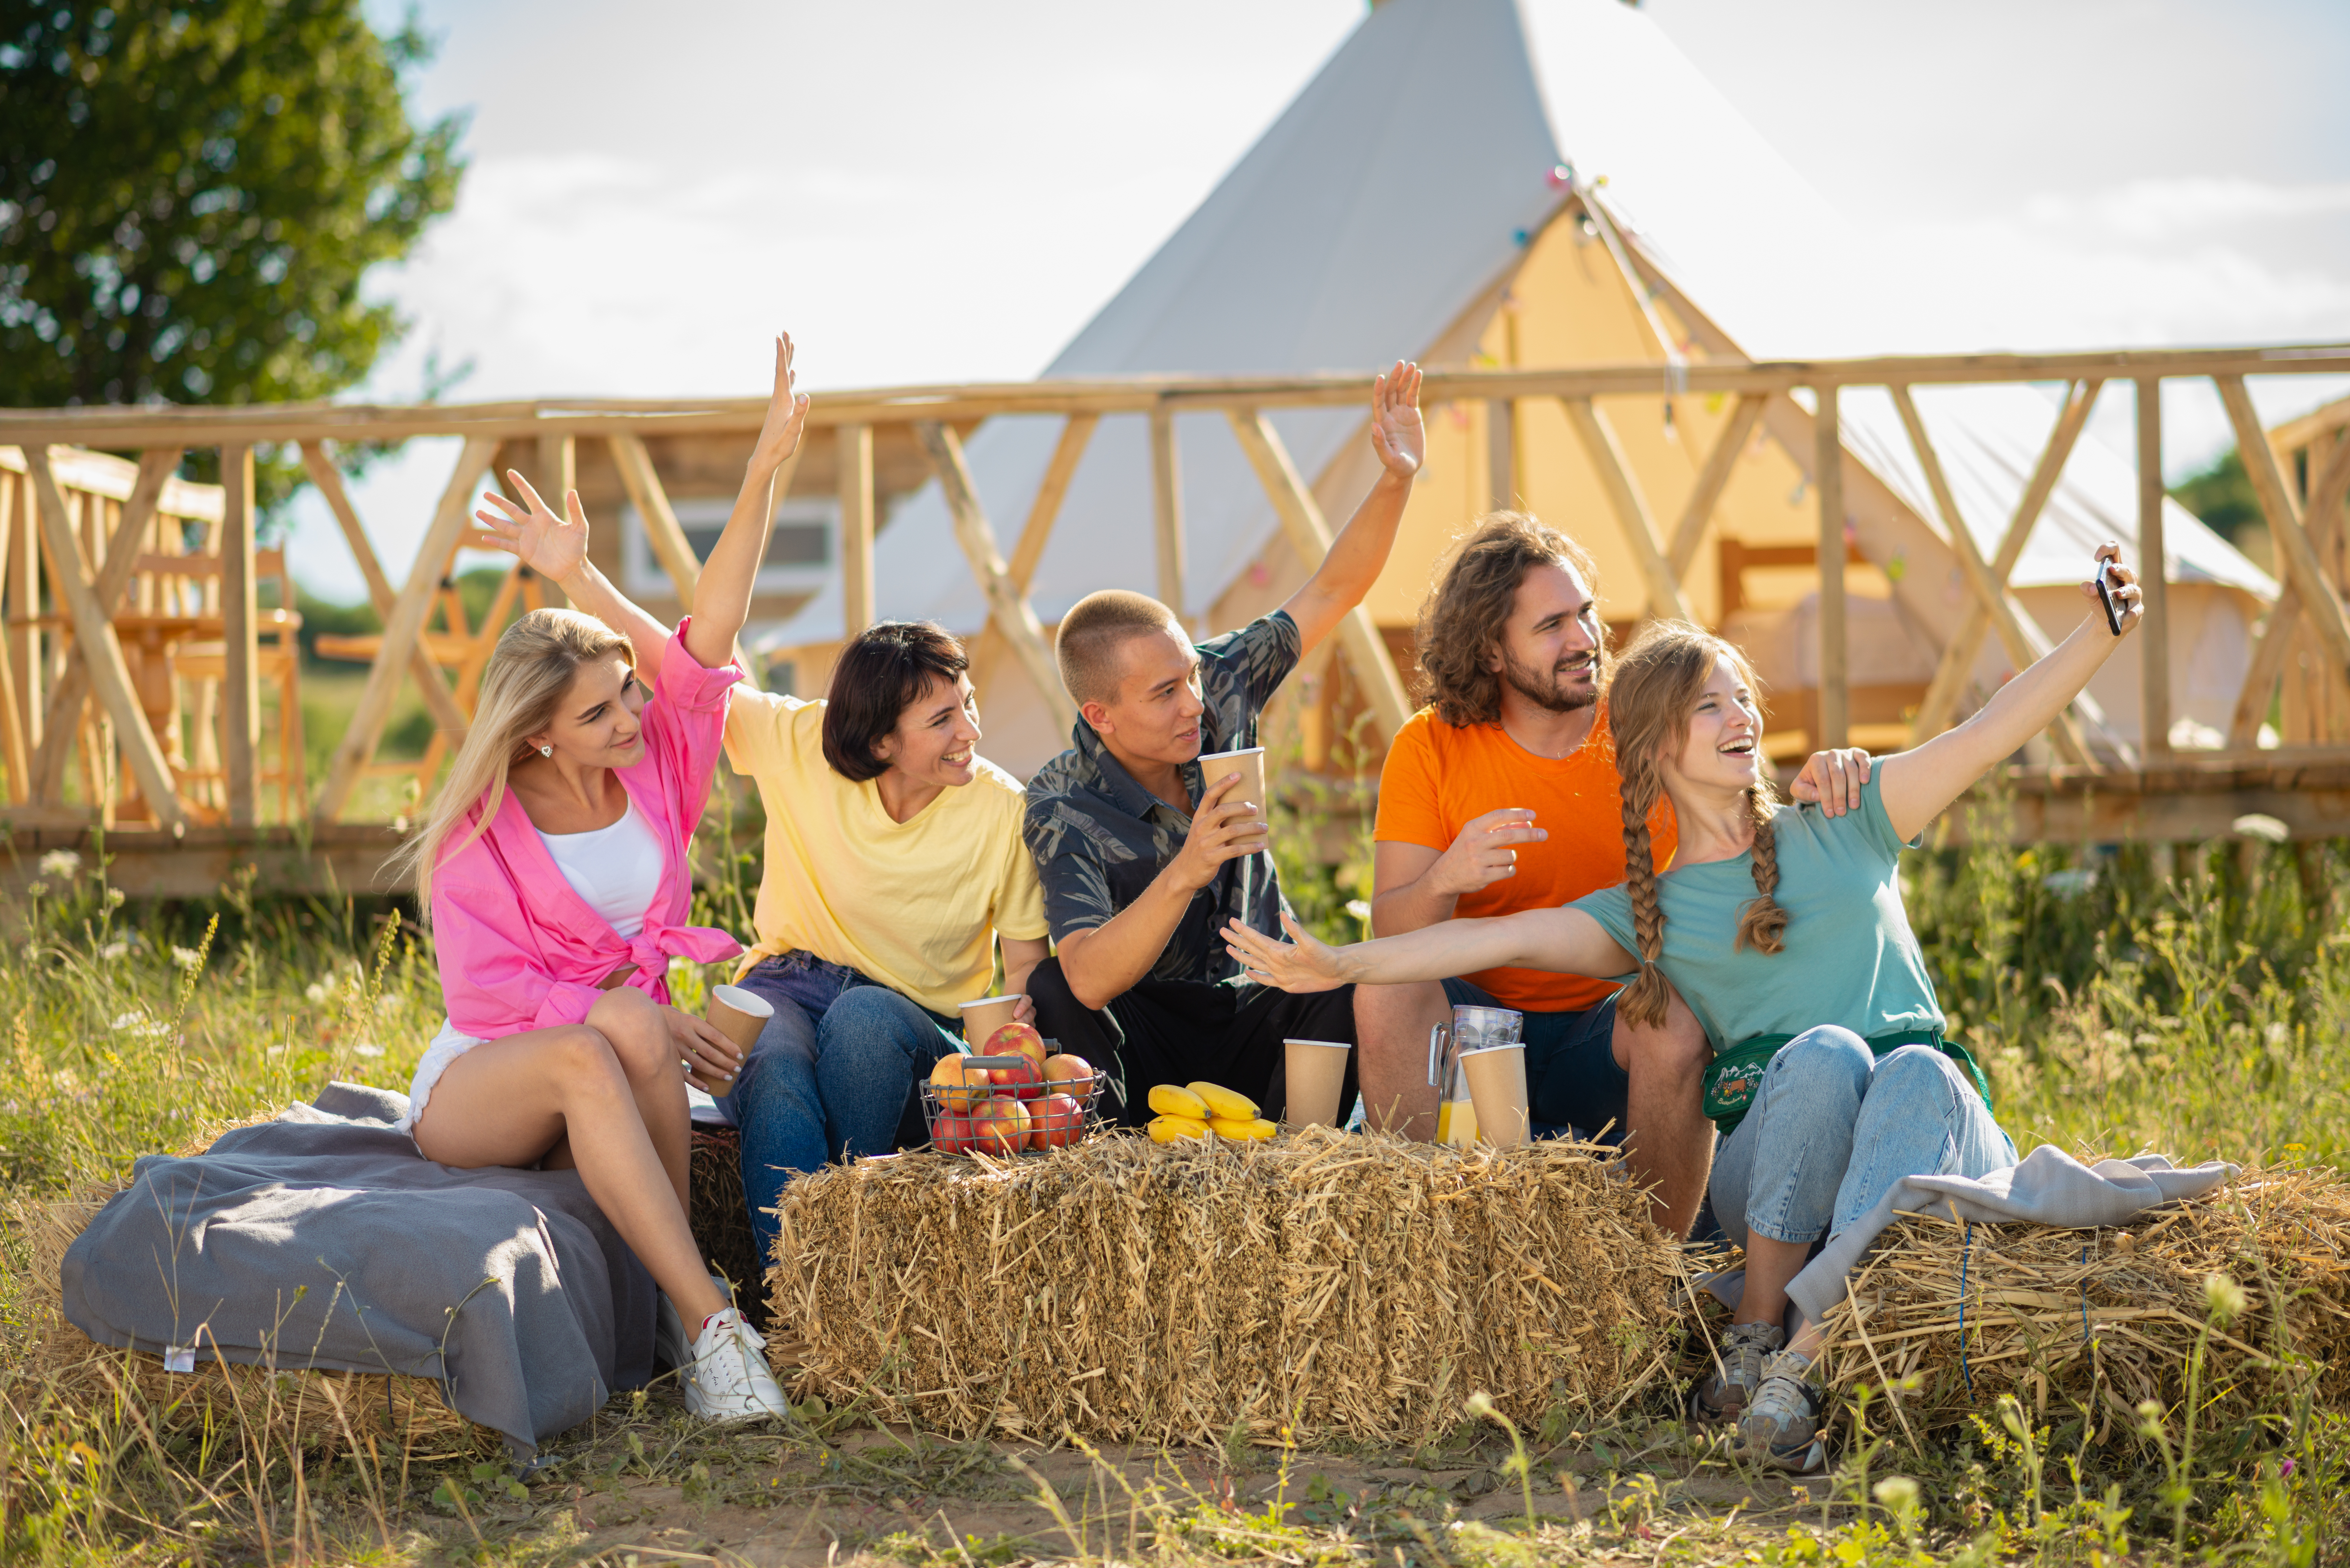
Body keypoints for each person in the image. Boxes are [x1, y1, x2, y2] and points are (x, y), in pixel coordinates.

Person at [1223, 545, 2145, 1471]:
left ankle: (1798, 1362)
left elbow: (1989, 730)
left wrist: (2100, 633)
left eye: (1742, 696)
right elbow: (1492, 942)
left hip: (1932, 1146)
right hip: (1781, 1166)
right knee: (1821, 1055)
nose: (1740, 715)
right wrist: (1337, 962)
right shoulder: (1649, 910)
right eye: (1710, 704)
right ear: (1659, 746)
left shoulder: (1851, 817)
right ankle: (1752, 1336)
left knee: (1913, 1068)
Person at [482, 438, 1046, 1264]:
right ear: (880, 742)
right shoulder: (801, 741)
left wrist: (1018, 1062)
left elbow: (1026, 972)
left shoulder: (1004, 809)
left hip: (917, 1021)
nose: (972, 733)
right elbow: (685, 667)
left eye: (967, 707)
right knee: (773, 1054)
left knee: (859, 1023)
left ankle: (854, 1259)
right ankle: (798, 1295)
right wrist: (577, 577)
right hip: (788, 980)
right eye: (943, 721)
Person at [389, 335, 812, 1424]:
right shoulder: (474, 839)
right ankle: (710, 1315)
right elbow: (493, 1002)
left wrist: (762, 469)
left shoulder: (655, 764)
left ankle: (680, 1319)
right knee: (601, 1037)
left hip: (621, 1040)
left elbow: (707, 635)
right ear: (534, 737)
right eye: (599, 712)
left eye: (628, 693)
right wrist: (651, 1024)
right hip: (485, 1080)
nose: (632, 716)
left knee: (622, 1028)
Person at [1361, 513, 1869, 1238]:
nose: (1584, 639)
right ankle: (1415, 1251)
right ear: (1491, 652)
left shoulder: (1640, 724)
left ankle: (1655, 1273)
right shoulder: (1428, 747)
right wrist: (1446, 877)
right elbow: (1392, 932)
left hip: (1606, 1034)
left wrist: (1829, 777)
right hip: (1471, 1036)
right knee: (1385, 989)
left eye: (1586, 613)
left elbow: (1749, 821)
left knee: (1671, 1010)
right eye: (1551, 626)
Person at [1021, 364, 1425, 1123]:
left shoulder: (1219, 678)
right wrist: (1187, 868)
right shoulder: (1061, 798)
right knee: (1050, 990)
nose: (1193, 703)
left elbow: (1333, 589)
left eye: (1190, 678)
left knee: (1337, 976)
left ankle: (1292, 1181)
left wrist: (1397, 477)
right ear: (1099, 715)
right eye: (1164, 693)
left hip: (1257, 1001)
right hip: (1142, 1032)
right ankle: (1120, 1183)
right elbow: (1084, 979)